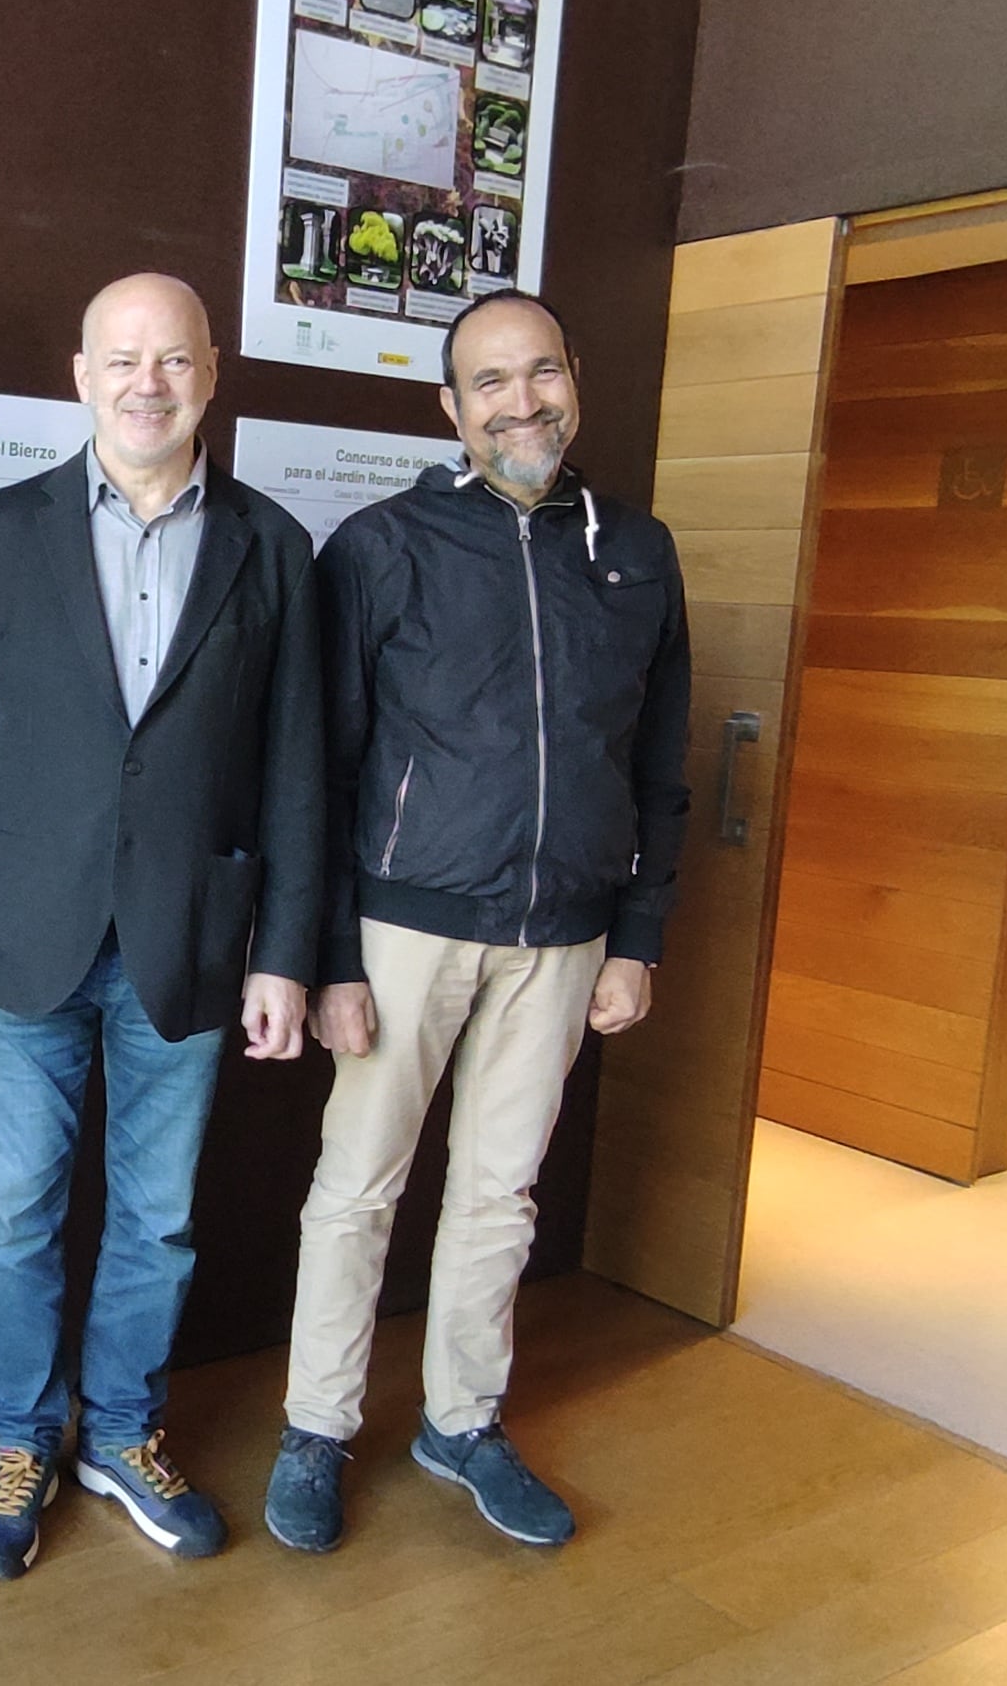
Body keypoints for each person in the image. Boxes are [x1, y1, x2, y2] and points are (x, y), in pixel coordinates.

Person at [262, 288, 690, 1556]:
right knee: (357, 1191)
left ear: (575, 380)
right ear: (451, 409)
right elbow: (322, 770)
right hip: (406, 931)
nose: (522, 401)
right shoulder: (384, 545)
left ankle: (461, 1422)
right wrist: (331, 954)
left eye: (541, 373)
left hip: (564, 934)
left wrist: (641, 933)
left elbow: (660, 755)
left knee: (501, 1194)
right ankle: (317, 1427)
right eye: (489, 383)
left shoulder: (639, 549)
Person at [0, 273, 324, 1578]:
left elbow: (294, 767)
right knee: (16, 1220)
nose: (146, 384)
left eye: (173, 361)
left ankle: (125, 1431)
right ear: (79, 372)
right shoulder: (0, 531)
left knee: (156, 1220)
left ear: (212, 372)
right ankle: (24, 1439)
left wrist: (283, 951)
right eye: (121, 359)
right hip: (21, 940)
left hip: (194, 944)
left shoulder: (272, 547)